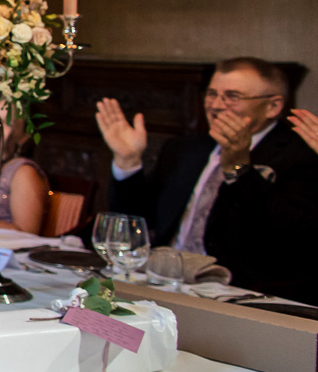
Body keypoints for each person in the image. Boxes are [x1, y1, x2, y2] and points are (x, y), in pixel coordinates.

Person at [97, 57, 318, 302]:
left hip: (239, 293)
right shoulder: (186, 148)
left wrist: (240, 169)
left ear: (272, 106)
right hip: (161, 280)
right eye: (211, 94)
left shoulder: (300, 156)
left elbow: (289, 238)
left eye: (232, 96)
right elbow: (137, 222)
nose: (216, 105)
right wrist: (127, 161)